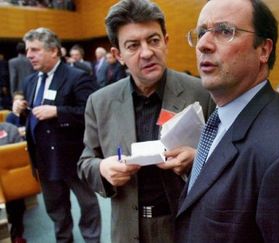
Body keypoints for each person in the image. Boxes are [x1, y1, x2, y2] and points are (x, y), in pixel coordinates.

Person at [176, 0, 279, 242]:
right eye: (201, 33)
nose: (203, 44)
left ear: (263, 50)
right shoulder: (223, 118)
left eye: (225, 31)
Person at [76, 0, 214, 242]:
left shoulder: (201, 93)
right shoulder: (100, 102)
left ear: (166, 41)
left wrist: (197, 158)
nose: (147, 52)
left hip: (187, 226)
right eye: (133, 45)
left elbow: (228, 159)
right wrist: (102, 168)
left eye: (153, 40)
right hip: (127, 230)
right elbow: (85, 163)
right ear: (118, 55)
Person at [15, 27, 101, 242]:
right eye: (28, 50)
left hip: (74, 157)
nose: (29, 55)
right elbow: (32, 117)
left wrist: (57, 111)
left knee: (87, 206)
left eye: (35, 49)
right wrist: (20, 109)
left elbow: (91, 114)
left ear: (53, 51)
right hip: (44, 159)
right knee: (56, 210)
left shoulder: (77, 77)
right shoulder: (30, 81)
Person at [0, 122, 26, 243]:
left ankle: (17, 233)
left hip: (10, 182)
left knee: (16, 201)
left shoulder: (9, 129)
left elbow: (19, 158)